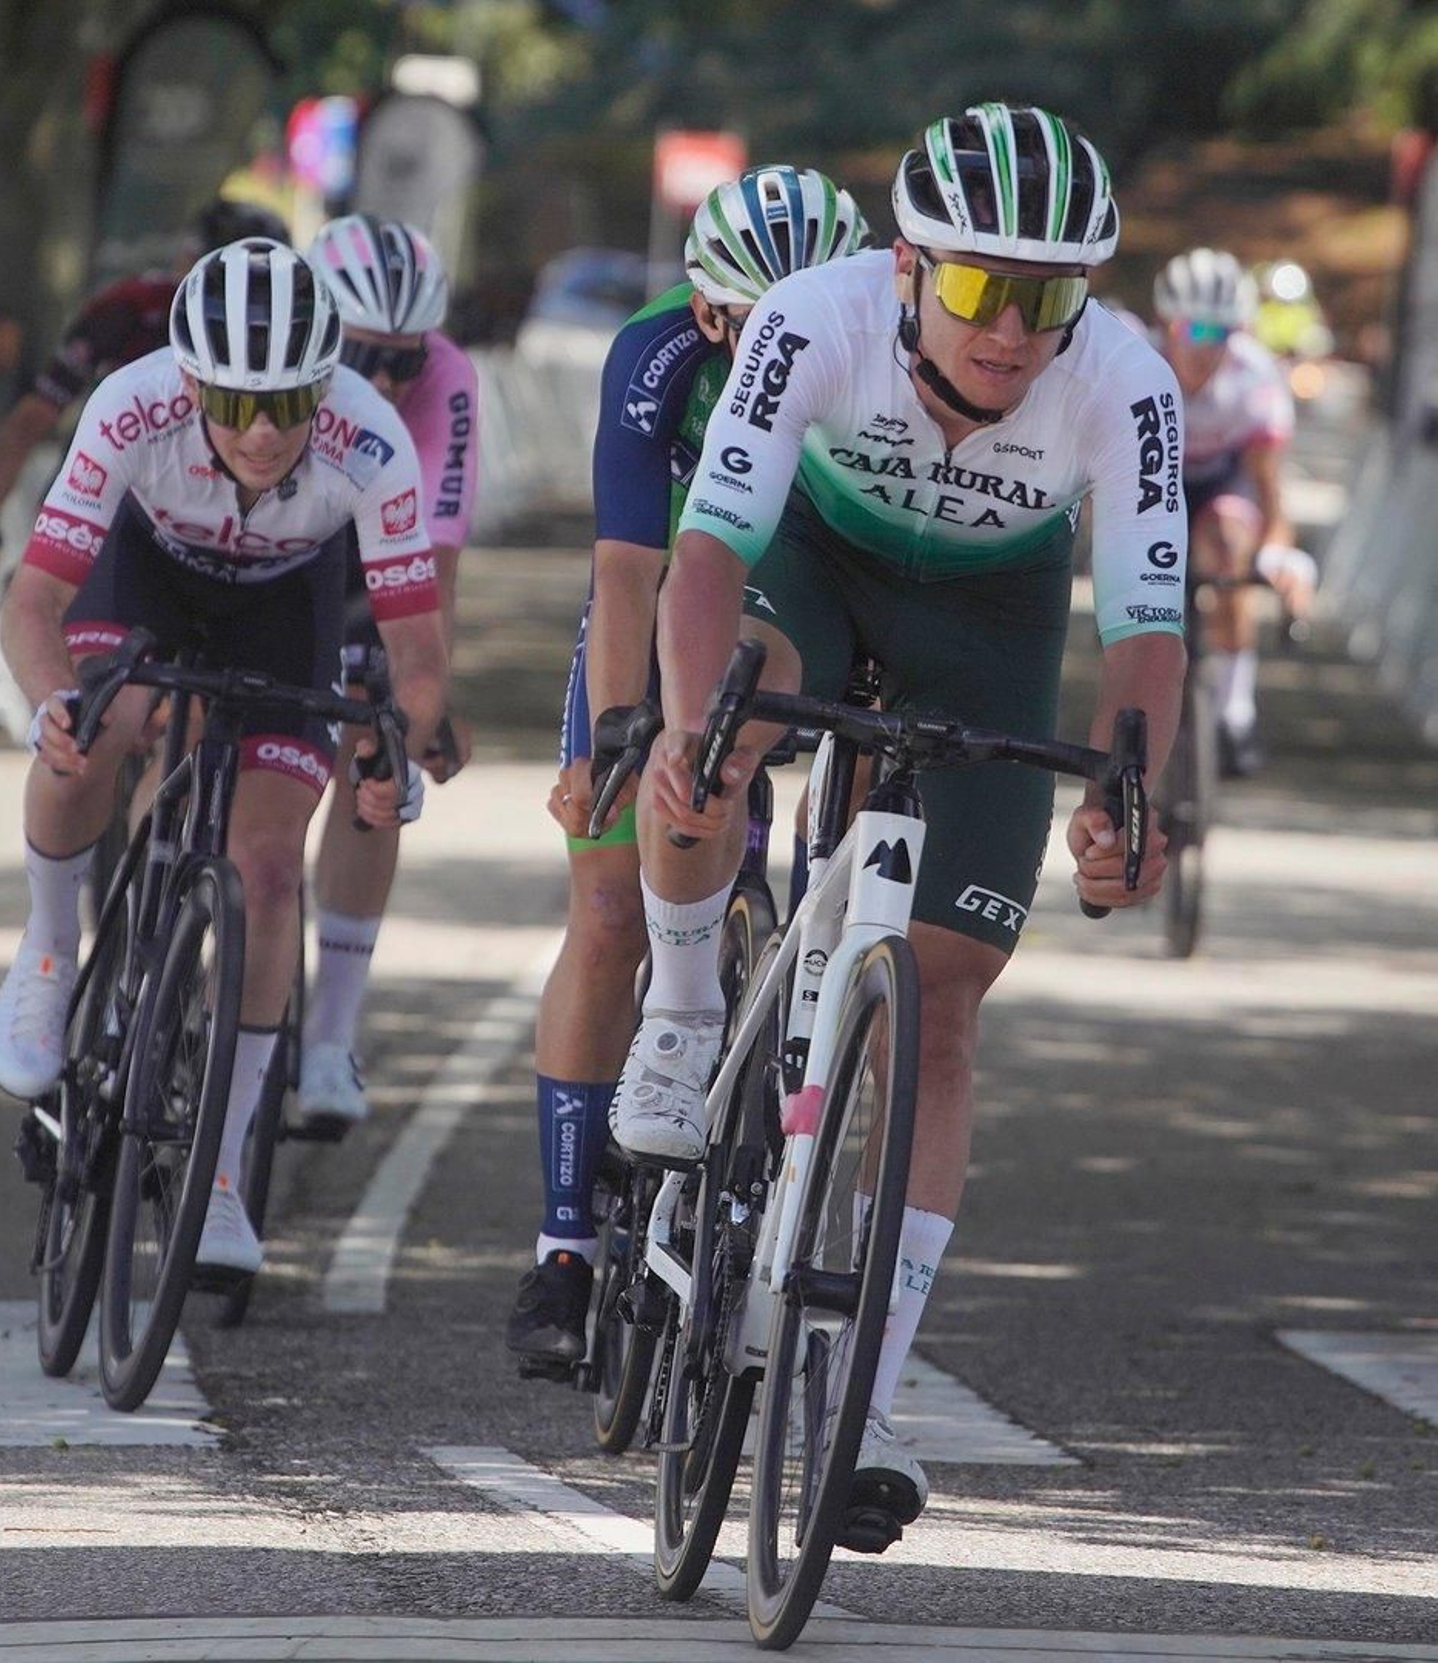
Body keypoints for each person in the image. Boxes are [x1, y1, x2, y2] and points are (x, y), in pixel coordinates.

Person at [612, 102, 1186, 1547]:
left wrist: (1129, 805)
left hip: (991, 613)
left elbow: (1145, 627)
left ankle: (862, 1384)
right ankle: (686, 1005)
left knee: (944, 999)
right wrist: (688, 733)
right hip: (811, 560)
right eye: (985, 286)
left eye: (1048, 296)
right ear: (911, 267)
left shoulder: (1122, 384)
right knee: (733, 722)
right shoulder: (813, 320)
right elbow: (703, 551)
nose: (1012, 329)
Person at [0, 237, 449, 1278]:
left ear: (322, 387)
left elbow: (418, 652)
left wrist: (393, 743)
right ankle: (51, 951)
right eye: (234, 406)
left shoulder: (368, 442)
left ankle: (223, 1163)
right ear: (190, 383)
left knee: (271, 868)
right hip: (141, 575)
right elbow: (34, 598)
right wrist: (52, 699)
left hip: (284, 605)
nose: (264, 432)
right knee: (96, 727)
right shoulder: (129, 405)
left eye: (288, 404)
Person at [504, 166, 870, 1371]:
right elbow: (622, 568)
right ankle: (562, 1247)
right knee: (609, 907)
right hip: (674, 600)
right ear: (708, 315)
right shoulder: (656, 354)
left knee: (849, 871)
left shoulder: (879, 346)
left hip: (812, 609)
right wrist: (618, 724)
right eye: (754, 327)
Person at [295, 214, 480, 1130]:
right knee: (194, 723)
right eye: (364, 354)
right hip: (259, 550)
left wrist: (423, 698)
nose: (384, 381)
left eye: (404, 360)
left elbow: (432, 566)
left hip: (371, 556)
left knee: (373, 752)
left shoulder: (445, 383)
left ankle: (329, 1039)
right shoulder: (276, 354)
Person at [0, 198, 290, 591]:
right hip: (118, 500)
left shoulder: (290, 332)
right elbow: (34, 416)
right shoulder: (130, 307)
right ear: (187, 264)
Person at [1153, 247, 1317, 776]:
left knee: (1228, 548)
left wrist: (1276, 553)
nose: (1208, 347)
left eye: (1222, 334)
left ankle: (1234, 710)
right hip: (1157, 478)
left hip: (1225, 480)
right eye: (1195, 332)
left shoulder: (1254, 377)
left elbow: (1270, 489)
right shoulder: (1137, 361)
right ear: (1167, 323)